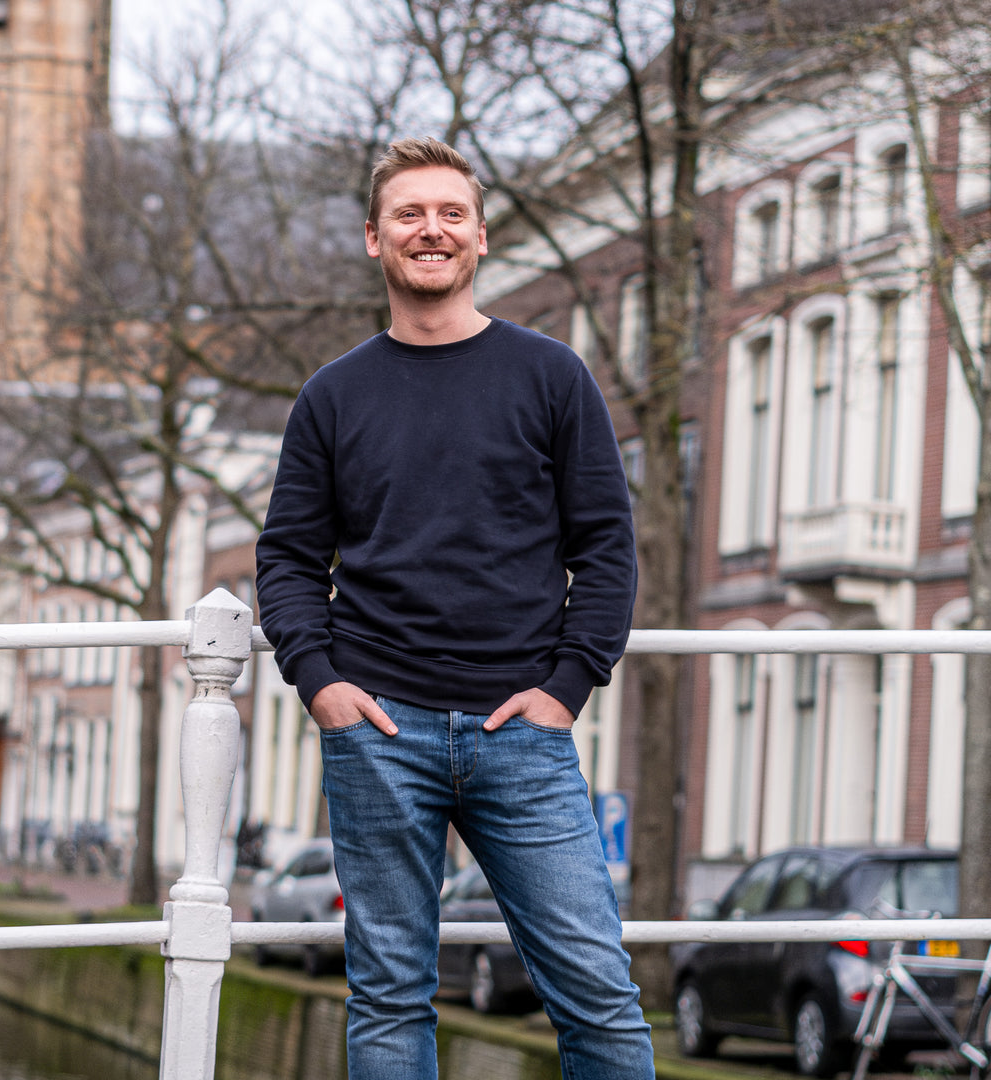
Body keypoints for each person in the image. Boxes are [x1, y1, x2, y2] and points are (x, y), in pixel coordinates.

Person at [255, 136, 654, 1080]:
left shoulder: (553, 377)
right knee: (389, 998)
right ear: (373, 238)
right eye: (408, 215)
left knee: (599, 996)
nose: (429, 230)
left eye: (450, 215)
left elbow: (606, 547)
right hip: (378, 732)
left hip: (523, 731)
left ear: (479, 239)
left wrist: (566, 687)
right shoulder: (331, 397)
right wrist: (323, 687)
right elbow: (287, 561)